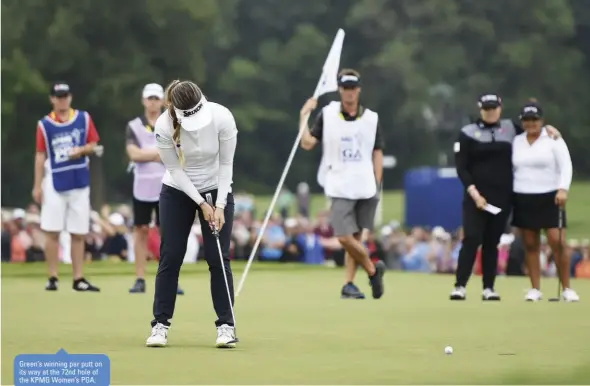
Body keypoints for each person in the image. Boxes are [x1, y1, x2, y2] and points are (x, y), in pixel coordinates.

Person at [146, 80, 238, 348]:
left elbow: (226, 164)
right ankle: (160, 325)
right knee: (171, 255)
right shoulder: (163, 125)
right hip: (177, 191)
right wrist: (201, 203)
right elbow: (175, 171)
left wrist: (219, 205)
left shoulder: (222, 117)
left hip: (216, 189)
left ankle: (226, 326)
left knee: (217, 257)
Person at [451, 94, 560, 301]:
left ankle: (488, 287)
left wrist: (549, 130)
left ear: (500, 108)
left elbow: (533, 132)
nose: (490, 112)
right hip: (475, 196)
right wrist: (474, 193)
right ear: (480, 109)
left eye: (494, 108)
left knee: (492, 241)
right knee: (472, 238)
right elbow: (462, 167)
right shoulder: (467, 133)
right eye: (486, 108)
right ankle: (460, 285)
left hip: (502, 196)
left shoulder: (510, 129)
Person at [299, 69, 386, 300]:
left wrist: (377, 182)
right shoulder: (327, 115)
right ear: (340, 90)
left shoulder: (371, 119)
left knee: (355, 239)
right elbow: (307, 143)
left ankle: (348, 285)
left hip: (365, 184)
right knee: (343, 236)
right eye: (345, 88)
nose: (349, 92)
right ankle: (372, 269)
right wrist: (303, 116)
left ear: (358, 89)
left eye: (353, 87)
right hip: (338, 183)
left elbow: (377, 152)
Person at [33, 82, 100, 292]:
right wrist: (37, 185)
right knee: (52, 231)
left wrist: (80, 151)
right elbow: (40, 155)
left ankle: (78, 278)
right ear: (52, 99)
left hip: (79, 180)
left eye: (65, 96)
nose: (62, 100)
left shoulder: (83, 118)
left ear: (70, 97)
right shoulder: (45, 124)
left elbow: (94, 144)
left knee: (78, 232)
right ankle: (52, 276)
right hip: (54, 181)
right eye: (58, 96)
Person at [511, 102, 579, 302]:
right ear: (522, 122)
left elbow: (566, 165)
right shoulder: (516, 141)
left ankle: (567, 288)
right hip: (523, 195)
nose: (531, 124)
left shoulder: (553, 139)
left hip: (550, 195)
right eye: (527, 120)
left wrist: (563, 188)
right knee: (530, 245)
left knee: (557, 242)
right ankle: (535, 289)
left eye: (534, 120)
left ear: (541, 121)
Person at [125, 83, 185, 295]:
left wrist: (148, 153)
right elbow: (133, 154)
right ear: (144, 100)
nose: (152, 102)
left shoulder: (172, 123)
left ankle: (170, 278)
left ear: (162, 101)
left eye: (156, 98)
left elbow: (178, 152)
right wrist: (159, 153)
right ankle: (140, 278)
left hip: (167, 185)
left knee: (167, 233)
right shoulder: (134, 125)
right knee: (140, 230)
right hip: (142, 186)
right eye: (149, 98)